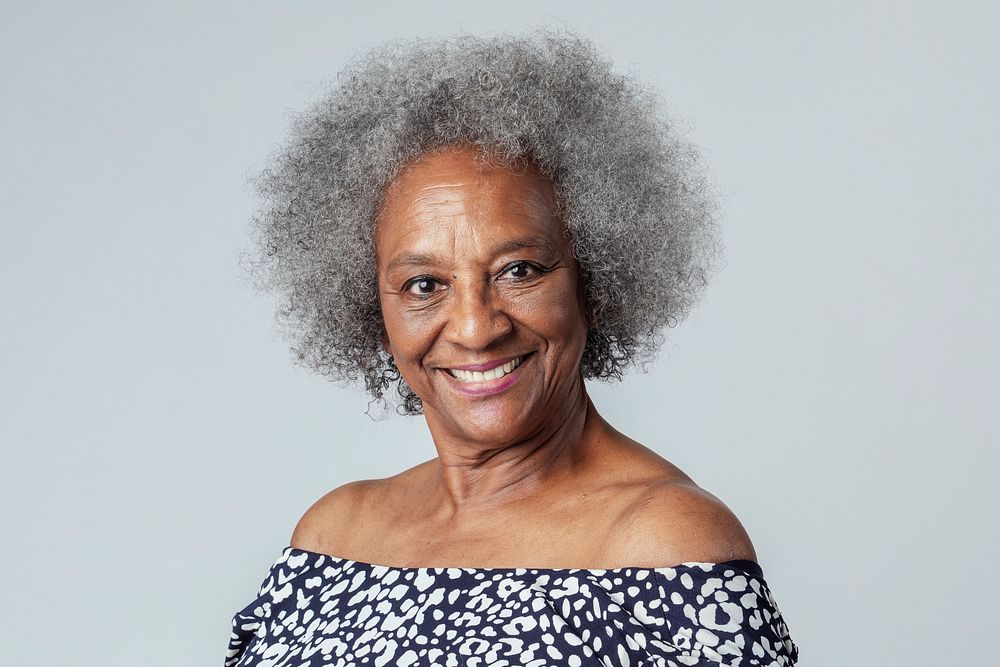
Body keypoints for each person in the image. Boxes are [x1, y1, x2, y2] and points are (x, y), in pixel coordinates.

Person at [226, 29, 798, 667]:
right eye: (424, 285)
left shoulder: (665, 544)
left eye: (519, 270)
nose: (475, 327)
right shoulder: (334, 536)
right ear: (371, 307)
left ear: (594, 278)